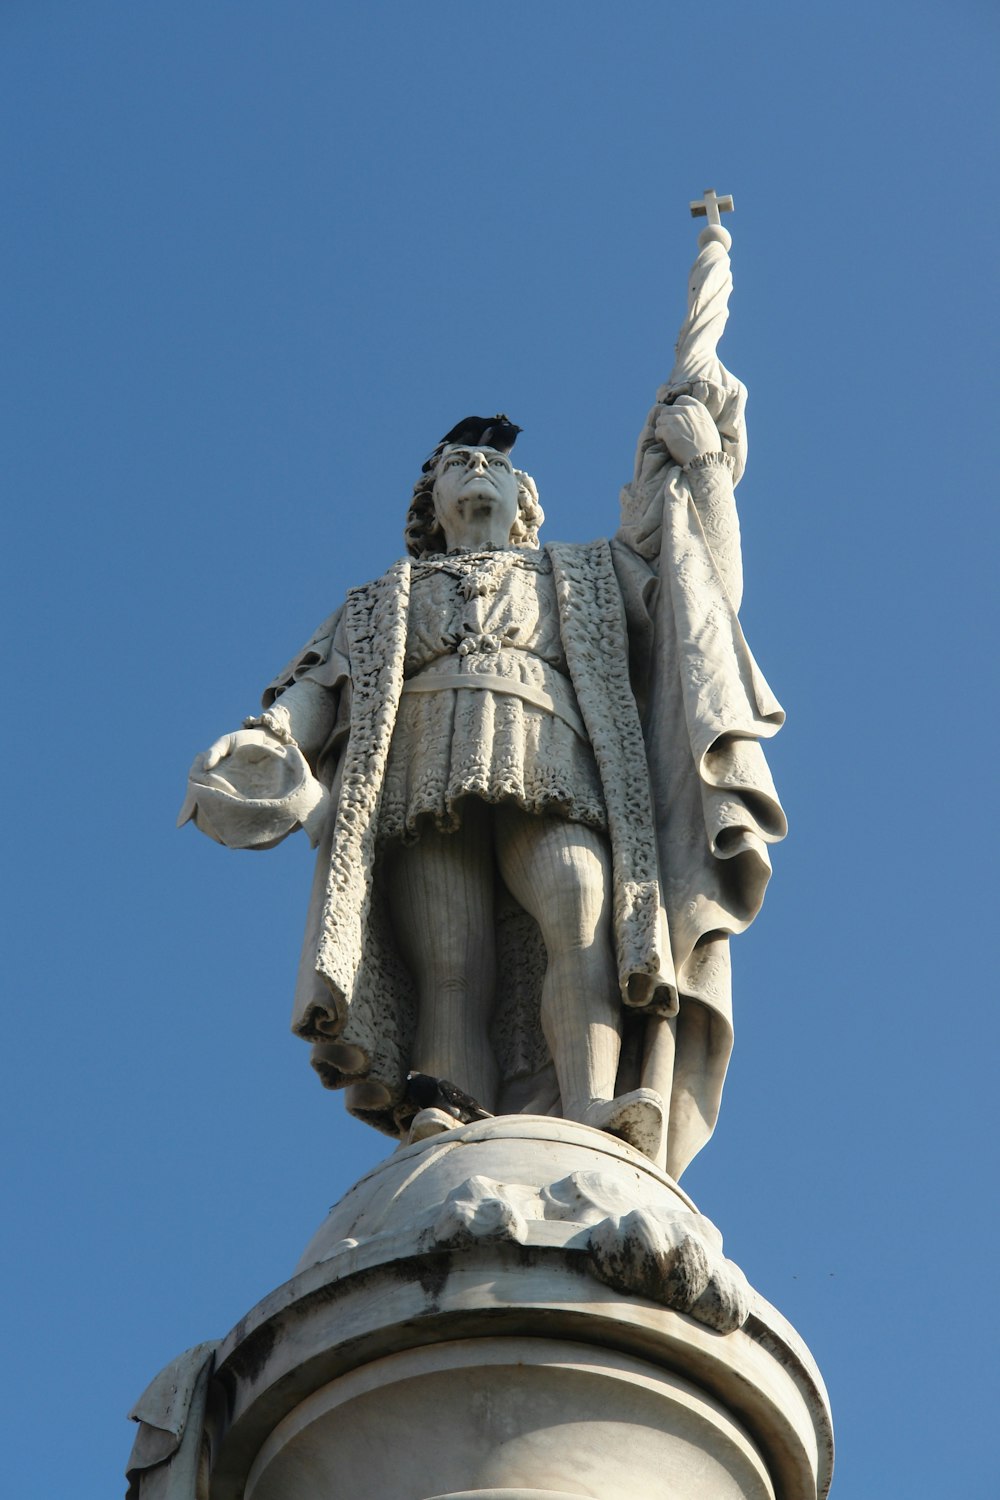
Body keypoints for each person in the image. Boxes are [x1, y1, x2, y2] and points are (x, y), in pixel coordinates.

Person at [180, 242, 786, 1178]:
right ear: (430, 502)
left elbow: (693, 586)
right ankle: (447, 1120)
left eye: (490, 465)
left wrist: (699, 467)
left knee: (582, 915)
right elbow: (320, 687)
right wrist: (269, 739)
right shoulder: (379, 600)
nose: (475, 471)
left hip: (555, 759)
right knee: (451, 960)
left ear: (522, 498)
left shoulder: (581, 573)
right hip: (423, 765)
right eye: (455, 464)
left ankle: (595, 1109)